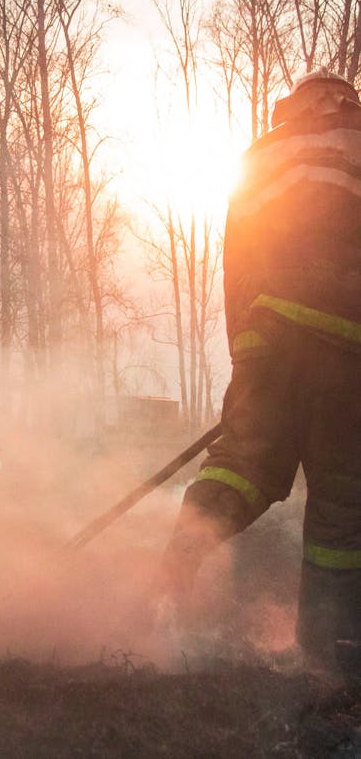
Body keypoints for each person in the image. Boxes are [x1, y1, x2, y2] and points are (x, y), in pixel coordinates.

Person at [161, 68, 361, 674]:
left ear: (293, 105)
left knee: (244, 463)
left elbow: (239, 266)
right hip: (350, 351)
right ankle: (326, 652)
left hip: (268, 340)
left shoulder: (259, 156)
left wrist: (247, 358)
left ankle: (175, 565)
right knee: (343, 503)